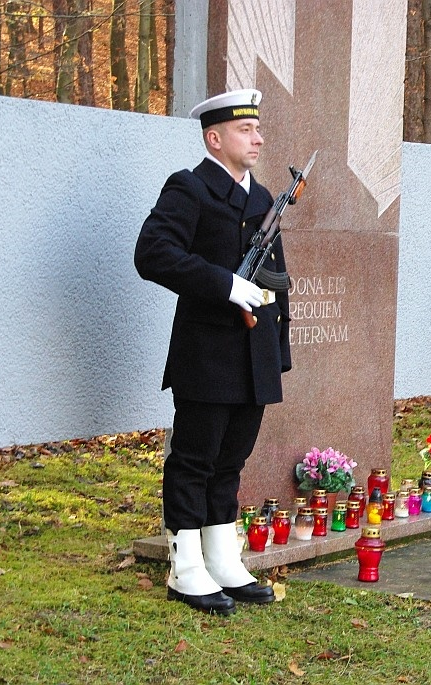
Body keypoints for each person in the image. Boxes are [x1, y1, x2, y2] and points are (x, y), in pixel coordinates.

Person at [134, 89, 291, 614]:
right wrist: (224, 283)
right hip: (207, 353)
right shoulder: (190, 189)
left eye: (259, 128)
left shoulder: (265, 197)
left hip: (255, 354)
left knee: (231, 460)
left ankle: (223, 558)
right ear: (215, 137)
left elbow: (277, 280)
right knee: (195, 460)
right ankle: (186, 565)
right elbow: (153, 254)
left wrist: (279, 351)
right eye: (247, 130)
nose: (259, 138)